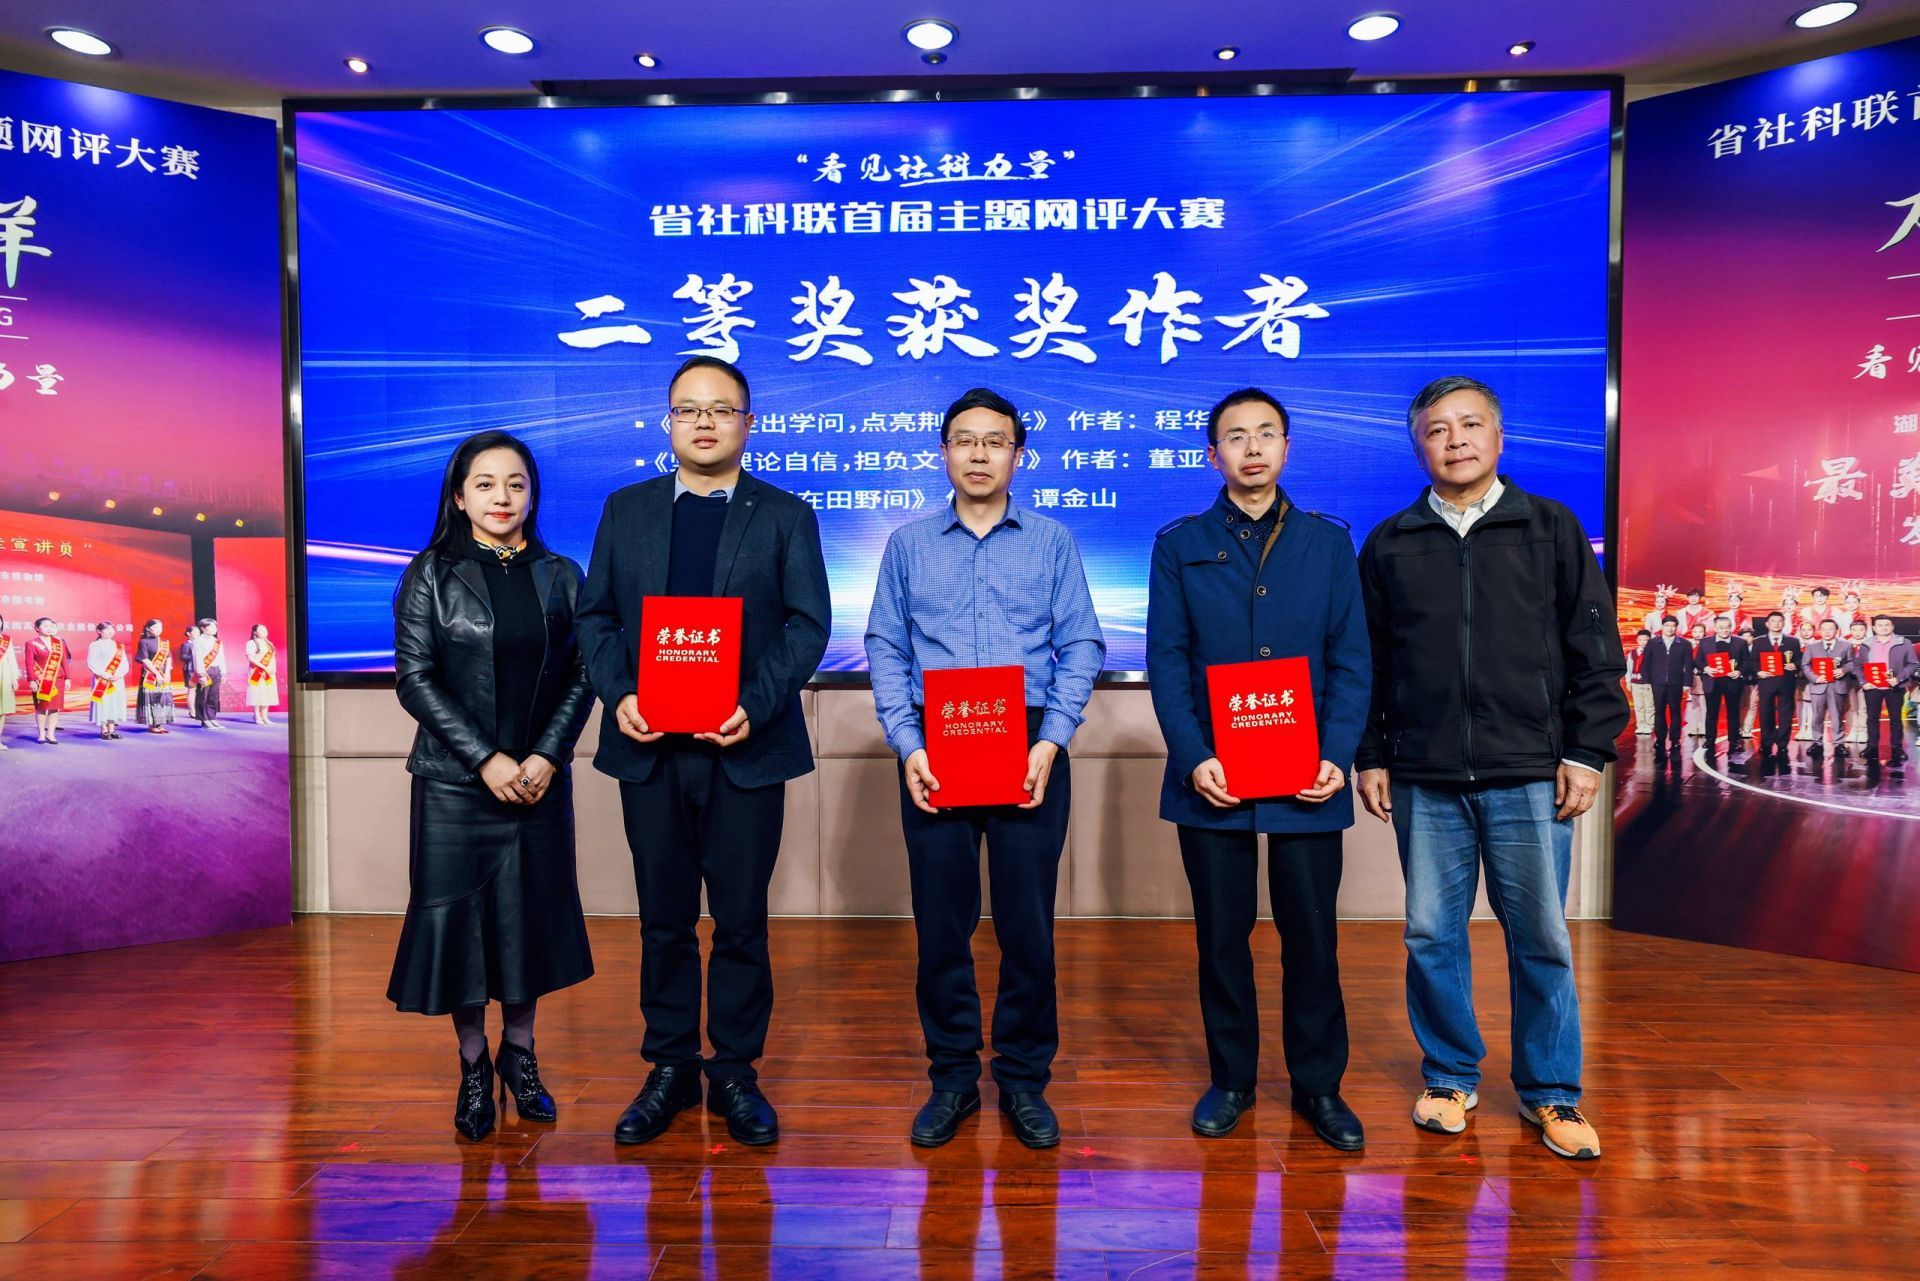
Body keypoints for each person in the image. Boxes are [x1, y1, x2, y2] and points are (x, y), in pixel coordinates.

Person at [1355, 376, 1626, 1162]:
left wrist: (1585, 750)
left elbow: (1595, 648)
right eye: (1438, 429)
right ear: (1418, 446)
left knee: (1541, 937)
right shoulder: (1390, 542)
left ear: (1499, 438)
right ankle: (1448, 1076)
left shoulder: (1550, 528)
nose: (1456, 440)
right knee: (1430, 934)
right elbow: (1369, 662)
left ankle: (1552, 1090)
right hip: (1425, 774)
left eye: (1471, 424)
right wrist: (1371, 753)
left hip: (1529, 772)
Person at [577, 356, 830, 1149]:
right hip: (650, 748)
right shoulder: (627, 510)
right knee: (663, 919)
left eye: (722, 409)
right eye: (689, 409)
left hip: (744, 749)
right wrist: (621, 694)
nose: (705, 422)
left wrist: (753, 704)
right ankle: (670, 1065)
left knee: (742, 920)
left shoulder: (785, 515)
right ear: (668, 422)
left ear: (749, 424)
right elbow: (595, 618)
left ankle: (736, 1070)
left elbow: (807, 625)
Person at [865, 386, 1103, 1152]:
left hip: (1028, 741)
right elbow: (885, 645)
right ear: (943, 452)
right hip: (936, 742)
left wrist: (1052, 739)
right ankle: (952, 1078)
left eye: (994, 441)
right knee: (942, 924)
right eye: (964, 440)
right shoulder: (908, 544)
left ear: (1017, 454)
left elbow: (1083, 644)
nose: (978, 453)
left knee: (1028, 924)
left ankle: (1025, 1080)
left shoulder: (1052, 541)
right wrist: (909, 743)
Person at [1144, 388, 1370, 1150]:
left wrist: (1336, 753)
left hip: (1309, 773)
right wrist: (1194, 756)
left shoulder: (1327, 543)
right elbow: (1167, 660)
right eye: (1235, 437)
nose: (1252, 448)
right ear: (1213, 455)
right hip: (1213, 774)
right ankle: (1232, 1078)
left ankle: (1319, 1086)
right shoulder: (1179, 544)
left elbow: (1352, 659)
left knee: (1313, 937)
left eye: (1266, 433)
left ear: (1286, 447)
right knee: (1221, 936)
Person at [387, 430, 597, 1142]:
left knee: (527, 922)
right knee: (464, 930)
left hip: (539, 781)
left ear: (532, 495)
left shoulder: (562, 575)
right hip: (455, 784)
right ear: (459, 496)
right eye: (485, 484)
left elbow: (583, 675)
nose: (501, 497)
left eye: (515, 483)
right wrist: (486, 760)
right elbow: (415, 680)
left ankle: (522, 1054)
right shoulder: (430, 573)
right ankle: (474, 1063)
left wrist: (545, 755)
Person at [1858, 616, 1918, 768]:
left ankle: (1897, 748)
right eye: (1880, 625)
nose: (1883, 628)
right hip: (1872, 687)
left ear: (1892, 627)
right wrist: (1863, 682)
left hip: (1895, 687)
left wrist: (1899, 678)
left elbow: (1912, 664)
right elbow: (1858, 666)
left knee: (1895, 719)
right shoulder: (1866, 644)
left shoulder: (1904, 642)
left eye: (1887, 625)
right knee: (1872, 718)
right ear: (1874, 628)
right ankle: (1872, 747)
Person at [1750, 611, 1801, 768]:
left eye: (1779, 621)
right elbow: (1753, 661)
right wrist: (1758, 671)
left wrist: (1795, 665)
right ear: (1767, 624)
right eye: (1773, 621)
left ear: (1783, 623)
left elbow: (1799, 659)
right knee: (1766, 713)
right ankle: (1766, 743)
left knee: (1786, 714)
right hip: (1766, 682)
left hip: (1786, 682)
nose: (1776, 624)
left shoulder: (1793, 641)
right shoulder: (1759, 642)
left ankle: (1782, 744)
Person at [1696, 615, 1749, 756]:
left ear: (1731, 627)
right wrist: (1706, 668)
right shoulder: (1705, 642)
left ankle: (1734, 741)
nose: (1724, 630)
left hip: (1732, 682)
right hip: (1712, 682)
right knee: (1711, 712)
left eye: (1727, 627)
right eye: (1721, 627)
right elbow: (1699, 660)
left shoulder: (1740, 642)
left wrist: (1739, 671)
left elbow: (1746, 661)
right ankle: (1710, 740)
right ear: (1715, 628)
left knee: (1733, 713)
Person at [1643, 616, 1693, 763]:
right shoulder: (1653, 643)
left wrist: (1687, 683)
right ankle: (1660, 739)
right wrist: (1646, 681)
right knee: (1659, 711)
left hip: (1676, 683)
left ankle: (1675, 740)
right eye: (1667, 625)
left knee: (1675, 712)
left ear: (1676, 627)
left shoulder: (1684, 643)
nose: (1670, 628)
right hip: (1657, 682)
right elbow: (1646, 663)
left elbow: (1688, 665)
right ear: (1662, 626)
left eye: (1673, 625)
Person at [1803, 618, 1852, 761]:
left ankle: (1839, 743)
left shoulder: (1846, 646)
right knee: (1817, 716)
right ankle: (1817, 742)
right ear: (1819, 631)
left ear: (1837, 631)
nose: (1827, 632)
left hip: (1837, 685)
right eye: (1824, 629)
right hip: (1818, 685)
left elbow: (1851, 663)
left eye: (1830, 629)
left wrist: (1843, 670)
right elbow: (1805, 665)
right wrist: (1815, 678)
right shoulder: (1812, 647)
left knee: (1837, 716)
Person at [25, 617, 70, 745]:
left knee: (54, 708)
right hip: (40, 680)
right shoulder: (31, 643)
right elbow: (29, 663)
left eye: (51, 626)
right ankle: (41, 734)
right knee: (41, 707)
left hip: (57, 678)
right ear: (37, 628)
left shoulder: (59, 643)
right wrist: (32, 680)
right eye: (45, 626)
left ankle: (51, 734)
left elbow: (64, 662)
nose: (49, 628)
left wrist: (68, 678)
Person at [85, 623, 128, 740]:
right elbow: (91, 663)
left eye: (112, 629)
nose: (110, 631)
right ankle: (104, 730)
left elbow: (124, 663)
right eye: (106, 629)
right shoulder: (95, 645)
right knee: (104, 703)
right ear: (99, 631)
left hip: (117, 679)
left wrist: (120, 674)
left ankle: (112, 729)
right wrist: (107, 676)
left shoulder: (118, 645)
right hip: (102, 679)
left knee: (115, 702)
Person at [133, 620, 177, 734]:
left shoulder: (164, 642)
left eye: (160, 628)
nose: (159, 630)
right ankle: (152, 725)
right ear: (148, 628)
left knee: (163, 698)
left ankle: (159, 723)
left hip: (163, 674)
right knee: (152, 699)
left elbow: (168, 658)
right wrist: (156, 673)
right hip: (150, 674)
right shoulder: (143, 642)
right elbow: (144, 659)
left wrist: (167, 673)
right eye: (156, 627)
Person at [193, 619, 226, 728]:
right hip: (205, 670)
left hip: (216, 670)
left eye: (215, 626)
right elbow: (197, 658)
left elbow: (221, 658)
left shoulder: (217, 642)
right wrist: (201, 674)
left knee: (213, 696)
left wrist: (223, 672)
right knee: (203, 695)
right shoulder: (198, 641)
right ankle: (204, 719)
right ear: (203, 628)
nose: (214, 629)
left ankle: (212, 717)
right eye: (211, 626)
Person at [1844, 617, 1872, 747]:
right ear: (1850, 631)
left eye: (1861, 629)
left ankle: (1862, 730)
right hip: (1849, 679)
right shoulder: (1845, 645)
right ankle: (1852, 730)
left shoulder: (1870, 645)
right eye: (1854, 630)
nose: (1857, 632)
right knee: (1851, 707)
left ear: (1866, 631)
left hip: (1865, 679)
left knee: (1863, 707)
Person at [245, 624, 279, 725]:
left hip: (269, 672)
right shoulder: (251, 643)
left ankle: (265, 716)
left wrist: (272, 669)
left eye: (265, 630)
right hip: (257, 672)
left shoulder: (269, 643)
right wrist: (264, 668)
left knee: (267, 693)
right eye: (262, 630)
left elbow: (273, 658)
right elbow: (250, 658)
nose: (265, 632)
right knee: (257, 693)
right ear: (255, 632)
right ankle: (257, 716)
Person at [1627, 630, 1654, 736]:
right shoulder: (1632, 653)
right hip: (1635, 682)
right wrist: (1628, 681)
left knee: (1649, 705)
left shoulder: (1652, 653)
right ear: (1637, 640)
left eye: (1645, 640)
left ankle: (1649, 725)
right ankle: (1641, 725)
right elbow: (1629, 668)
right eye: (1640, 640)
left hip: (1648, 682)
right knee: (1638, 706)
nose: (1643, 642)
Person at [0, 613, 18, 749]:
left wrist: (14, 678)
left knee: (1, 710)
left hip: (3, 675)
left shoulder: (6, 640)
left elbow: (11, 659)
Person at [179, 624, 200, 723]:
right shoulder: (186, 644)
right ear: (188, 633)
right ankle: (192, 711)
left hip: (199, 669)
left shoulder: (199, 644)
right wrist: (195, 656)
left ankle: (197, 710)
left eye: (198, 632)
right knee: (192, 690)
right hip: (190, 669)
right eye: (195, 632)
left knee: (199, 690)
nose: (198, 634)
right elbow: (183, 657)